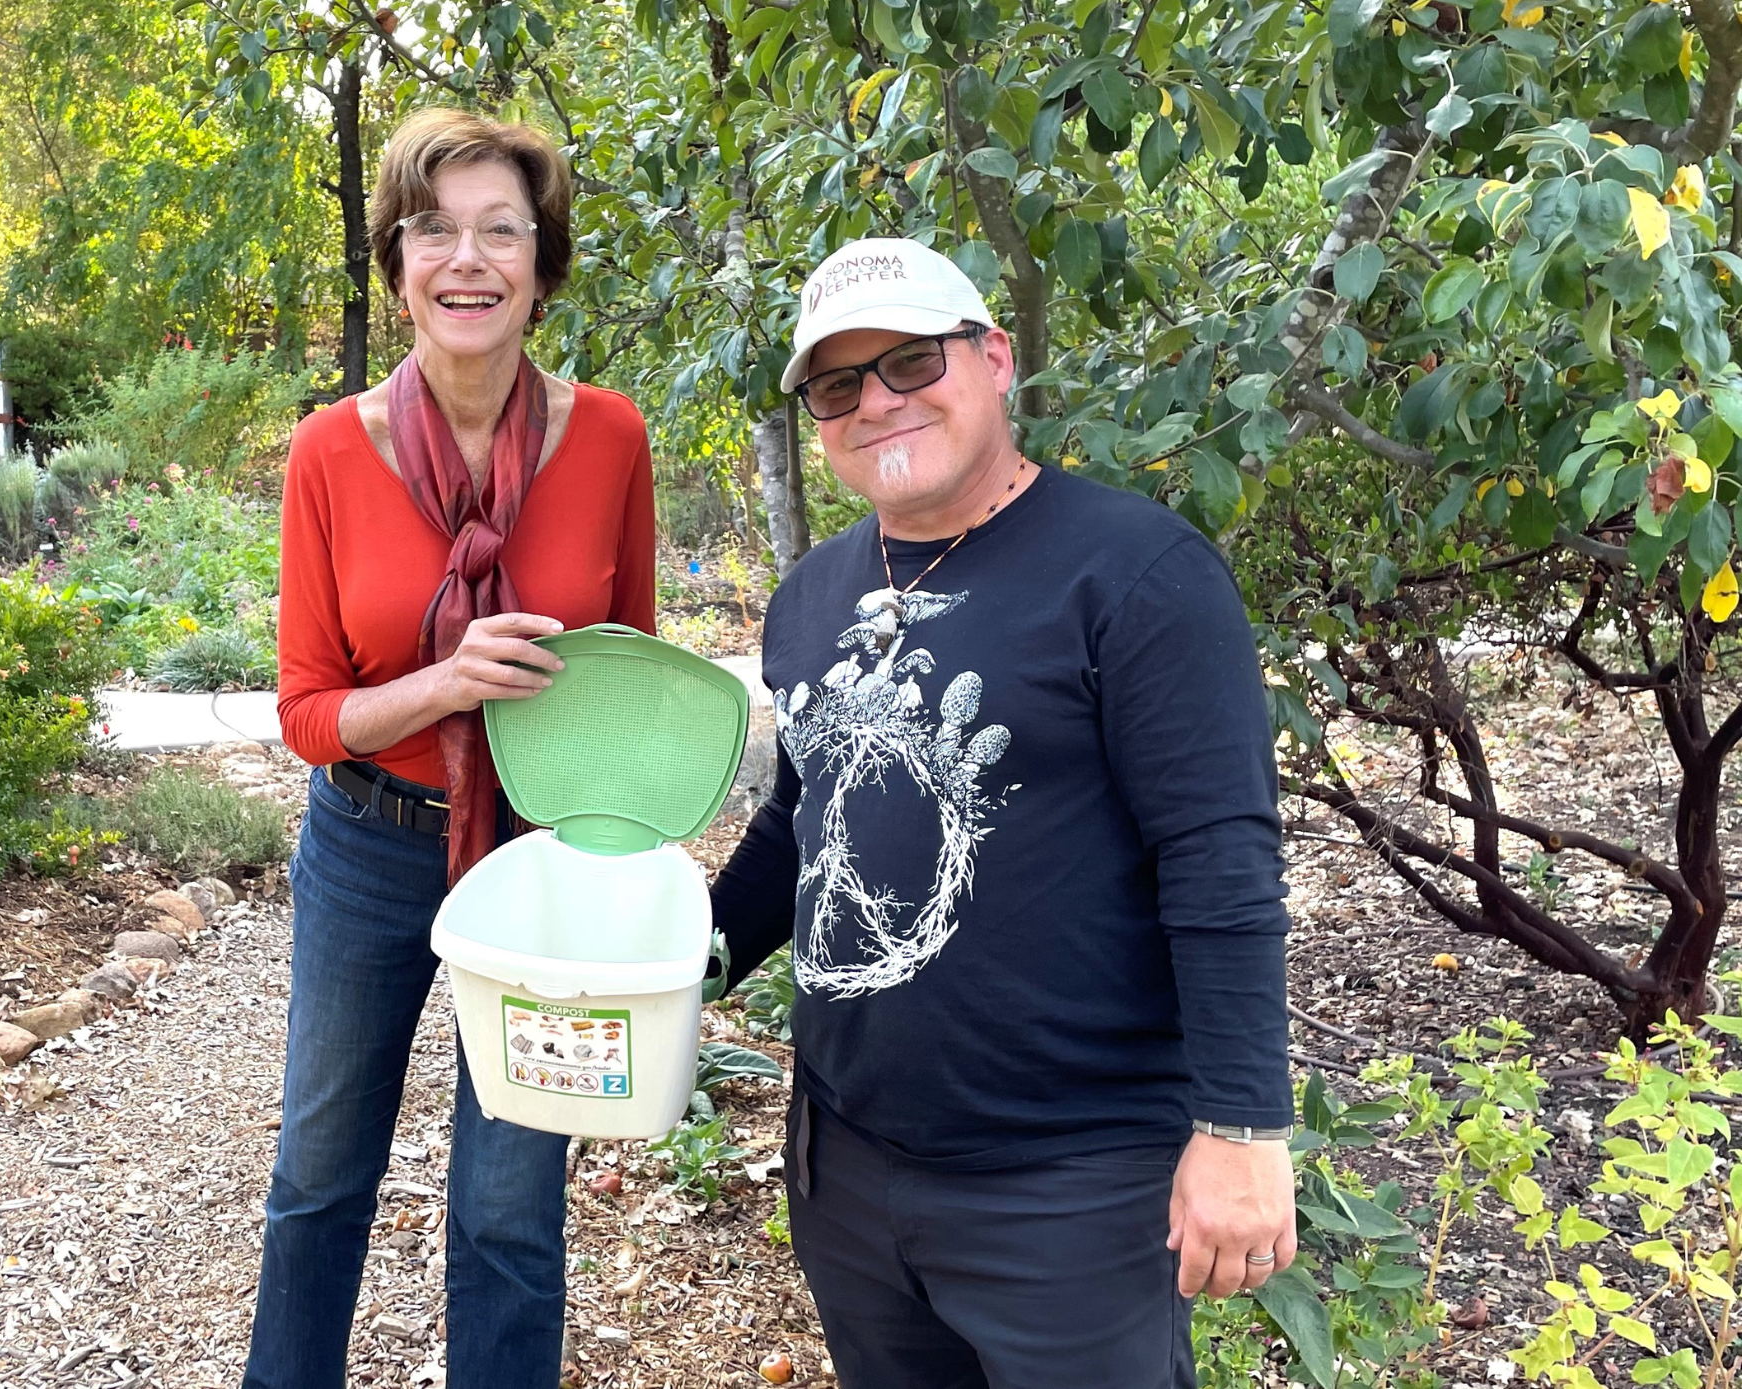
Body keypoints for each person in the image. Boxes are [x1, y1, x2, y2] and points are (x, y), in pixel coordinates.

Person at [708, 237, 1294, 1388]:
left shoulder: (1135, 574)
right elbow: (797, 823)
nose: (876, 401)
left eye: (910, 362)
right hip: (847, 1167)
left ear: (992, 359)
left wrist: (1240, 1129)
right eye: (837, 384)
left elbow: (1217, 858)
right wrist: (683, 966)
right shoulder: (813, 592)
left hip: (1068, 1188)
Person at [248, 109, 655, 1389]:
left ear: (542, 266)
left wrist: (625, 863)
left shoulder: (612, 438)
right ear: (397, 260)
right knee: (318, 1177)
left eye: (500, 231)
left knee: (509, 1206)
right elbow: (307, 711)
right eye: (434, 230)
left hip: (540, 864)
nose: (465, 259)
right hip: (369, 848)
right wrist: (442, 683)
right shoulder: (327, 448)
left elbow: (628, 680)